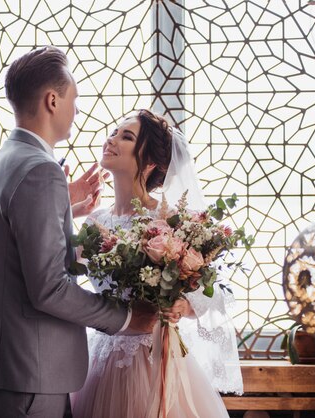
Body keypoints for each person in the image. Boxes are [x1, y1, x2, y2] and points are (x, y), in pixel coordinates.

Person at [0, 47, 158, 418]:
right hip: (31, 367)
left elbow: (11, 249)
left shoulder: (1, 161)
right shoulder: (41, 170)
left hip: (11, 361)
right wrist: (130, 318)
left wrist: (63, 210)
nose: (77, 110)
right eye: (74, 99)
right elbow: (49, 288)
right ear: (52, 100)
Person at [70, 109, 243, 418]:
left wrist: (183, 306)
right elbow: (58, 273)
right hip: (102, 360)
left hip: (155, 360)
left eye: (126, 136)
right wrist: (69, 212)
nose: (111, 140)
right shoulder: (95, 222)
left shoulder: (168, 219)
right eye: (113, 132)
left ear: (149, 164)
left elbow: (218, 291)